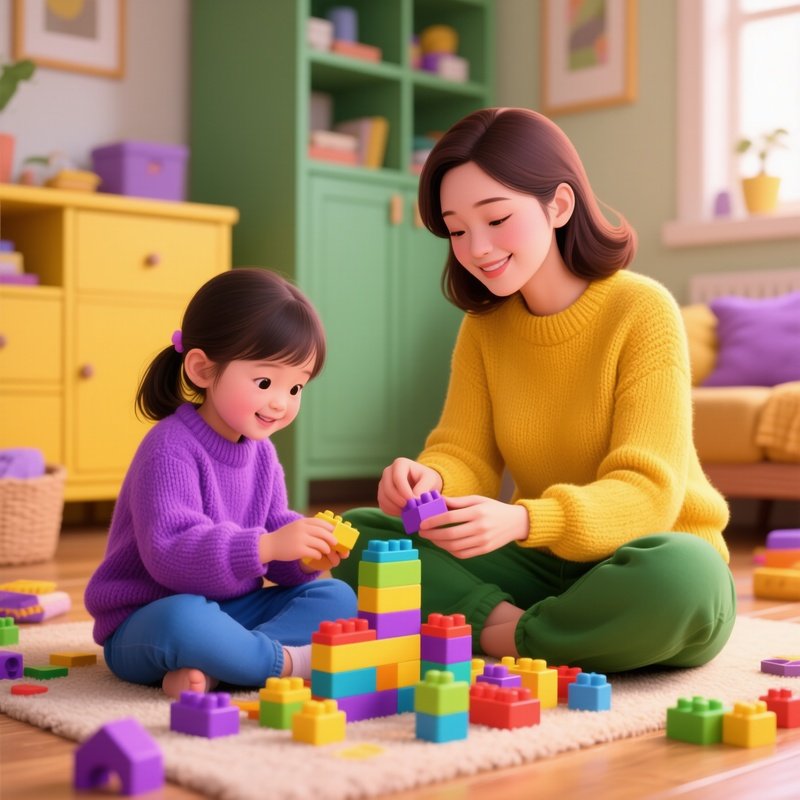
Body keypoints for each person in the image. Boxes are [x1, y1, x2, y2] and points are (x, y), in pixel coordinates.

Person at [333, 108, 736, 673]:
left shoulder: (642, 311)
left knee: (686, 579)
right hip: (539, 563)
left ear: (559, 205)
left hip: (642, 554)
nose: (476, 248)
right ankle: (531, 632)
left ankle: (487, 628)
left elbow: (650, 493)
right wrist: (431, 481)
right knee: (358, 537)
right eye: (456, 229)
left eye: (495, 219)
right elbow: (465, 452)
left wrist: (523, 520)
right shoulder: (484, 328)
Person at [85, 268, 357, 698]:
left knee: (336, 597)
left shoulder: (261, 452)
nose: (280, 403)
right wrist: (267, 546)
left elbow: (274, 540)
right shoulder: (169, 448)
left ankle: (221, 666)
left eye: (296, 387)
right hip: (148, 617)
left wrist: (303, 556)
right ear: (202, 369)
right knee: (185, 619)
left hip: (230, 613)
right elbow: (170, 554)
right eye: (266, 382)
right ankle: (283, 664)